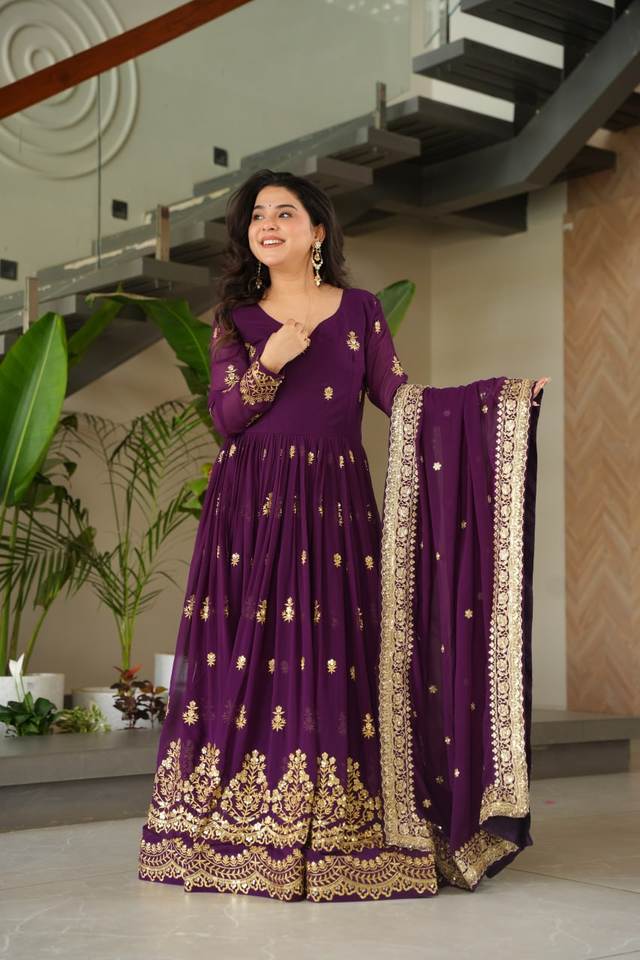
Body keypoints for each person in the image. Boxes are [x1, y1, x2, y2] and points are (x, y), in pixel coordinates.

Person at [138, 168, 549, 902]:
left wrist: (495, 403)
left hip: (334, 510)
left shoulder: (360, 311)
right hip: (252, 512)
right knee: (252, 657)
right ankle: (244, 825)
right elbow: (226, 418)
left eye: (284, 213)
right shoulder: (236, 316)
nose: (268, 225)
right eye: (257, 216)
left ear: (318, 230)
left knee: (335, 654)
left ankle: (342, 823)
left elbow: (403, 399)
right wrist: (271, 361)